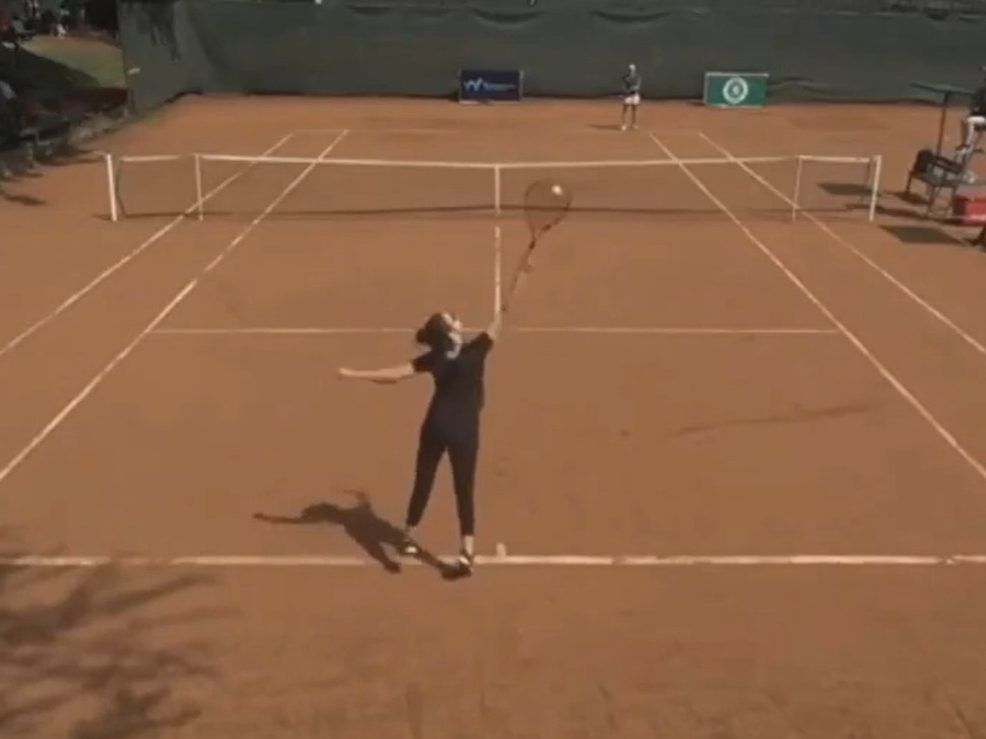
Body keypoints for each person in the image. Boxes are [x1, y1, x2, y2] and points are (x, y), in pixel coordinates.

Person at [337, 265, 531, 576]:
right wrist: (521, 277)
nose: (458, 319)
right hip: (465, 431)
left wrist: (356, 374)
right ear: (450, 333)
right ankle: (466, 552)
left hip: (435, 426)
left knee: (423, 481)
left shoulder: (436, 359)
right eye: (453, 319)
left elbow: (394, 376)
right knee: (464, 488)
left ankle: (405, 536)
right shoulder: (476, 351)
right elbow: (504, 311)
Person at [958, 71, 986, 156]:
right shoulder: (980, 92)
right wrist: (970, 112)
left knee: (970, 122)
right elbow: (973, 105)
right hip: (980, 117)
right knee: (964, 120)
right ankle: (965, 144)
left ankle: (967, 145)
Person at [621, 63, 642, 131]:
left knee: (634, 110)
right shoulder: (625, 77)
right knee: (625, 110)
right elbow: (624, 86)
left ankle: (634, 124)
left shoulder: (637, 77)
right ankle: (624, 124)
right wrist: (626, 91)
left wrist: (634, 88)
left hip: (635, 95)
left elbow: (638, 86)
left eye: (632, 69)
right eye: (630, 69)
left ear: (634, 70)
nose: (631, 70)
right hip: (627, 96)